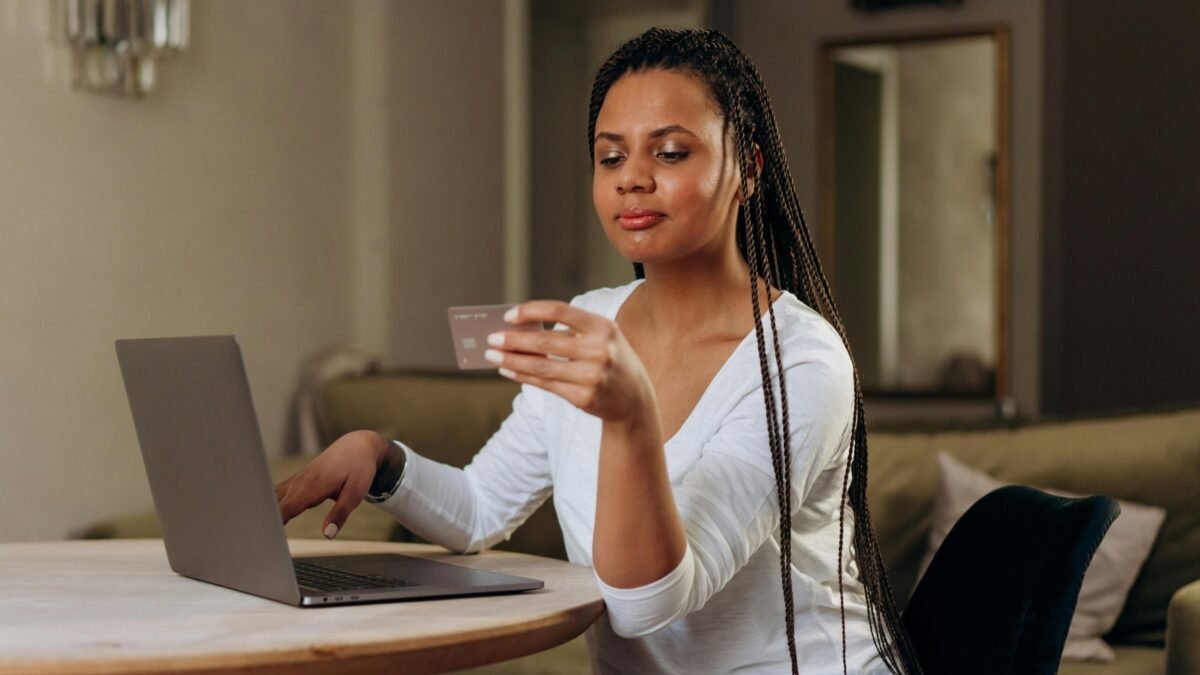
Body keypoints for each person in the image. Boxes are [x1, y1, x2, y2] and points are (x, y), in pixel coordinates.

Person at [275, 27, 922, 675]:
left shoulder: (802, 364)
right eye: (611, 158)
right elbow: (479, 509)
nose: (633, 179)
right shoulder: (591, 321)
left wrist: (629, 417)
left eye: (670, 153)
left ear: (747, 170)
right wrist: (382, 460)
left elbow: (650, 603)